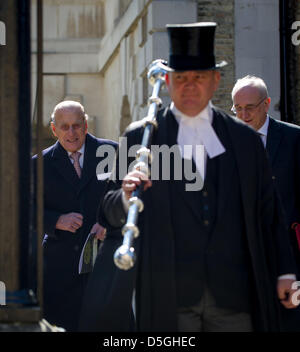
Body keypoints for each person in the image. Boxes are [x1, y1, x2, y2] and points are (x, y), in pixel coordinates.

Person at [79, 22, 298, 332]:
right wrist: (127, 196)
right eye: (181, 78)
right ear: (167, 81)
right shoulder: (143, 138)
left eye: (199, 77)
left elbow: (270, 212)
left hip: (234, 295)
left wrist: (286, 271)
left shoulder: (244, 141)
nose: (190, 86)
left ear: (215, 81)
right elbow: (109, 210)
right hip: (169, 296)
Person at [32, 100, 117, 331]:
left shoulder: (113, 152)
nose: (71, 133)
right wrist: (55, 220)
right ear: (54, 129)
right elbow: (26, 210)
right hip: (59, 272)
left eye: (77, 125)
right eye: (64, 126)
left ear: (86, 125)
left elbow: (131, 196)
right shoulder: (39, 165)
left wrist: (110, 222)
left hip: (105, 264)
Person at [231, 75, 300, 331]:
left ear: (266, 104)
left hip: (289, 259)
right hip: (243, 261)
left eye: (249, 107)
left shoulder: (294, 139)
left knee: (291, 322)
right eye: (238, 108)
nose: (243, 114)